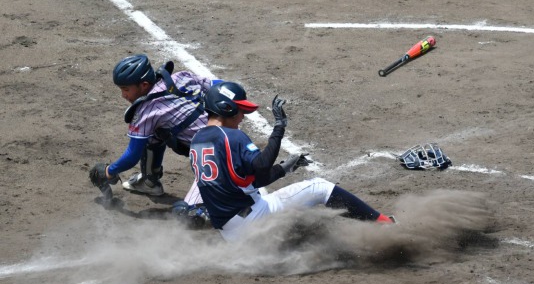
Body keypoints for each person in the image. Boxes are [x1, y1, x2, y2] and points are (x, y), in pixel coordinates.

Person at [189, 81, 395, 242]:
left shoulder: (197, 141)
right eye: (240, 110)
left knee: (264, 197)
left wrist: (284, 168)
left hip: (231, 233)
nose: (243, 116)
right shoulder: (231, 136)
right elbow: (261, 165)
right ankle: (386, 224)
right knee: (319, 187)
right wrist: (279, 127)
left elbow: (248, 181)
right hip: (253, 221)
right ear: (226, 108)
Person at [89, 54, 220, 198]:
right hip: (233, 135)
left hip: (216, 160)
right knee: (158, 131)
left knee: (188, 211)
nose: (123, 95)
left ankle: (151, 183)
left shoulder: (146, 113)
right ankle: (149, 184)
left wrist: (109, 171)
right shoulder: (181, 76)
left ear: (144, 85)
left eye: (126, 89)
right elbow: (220, 86)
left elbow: (132, 155)